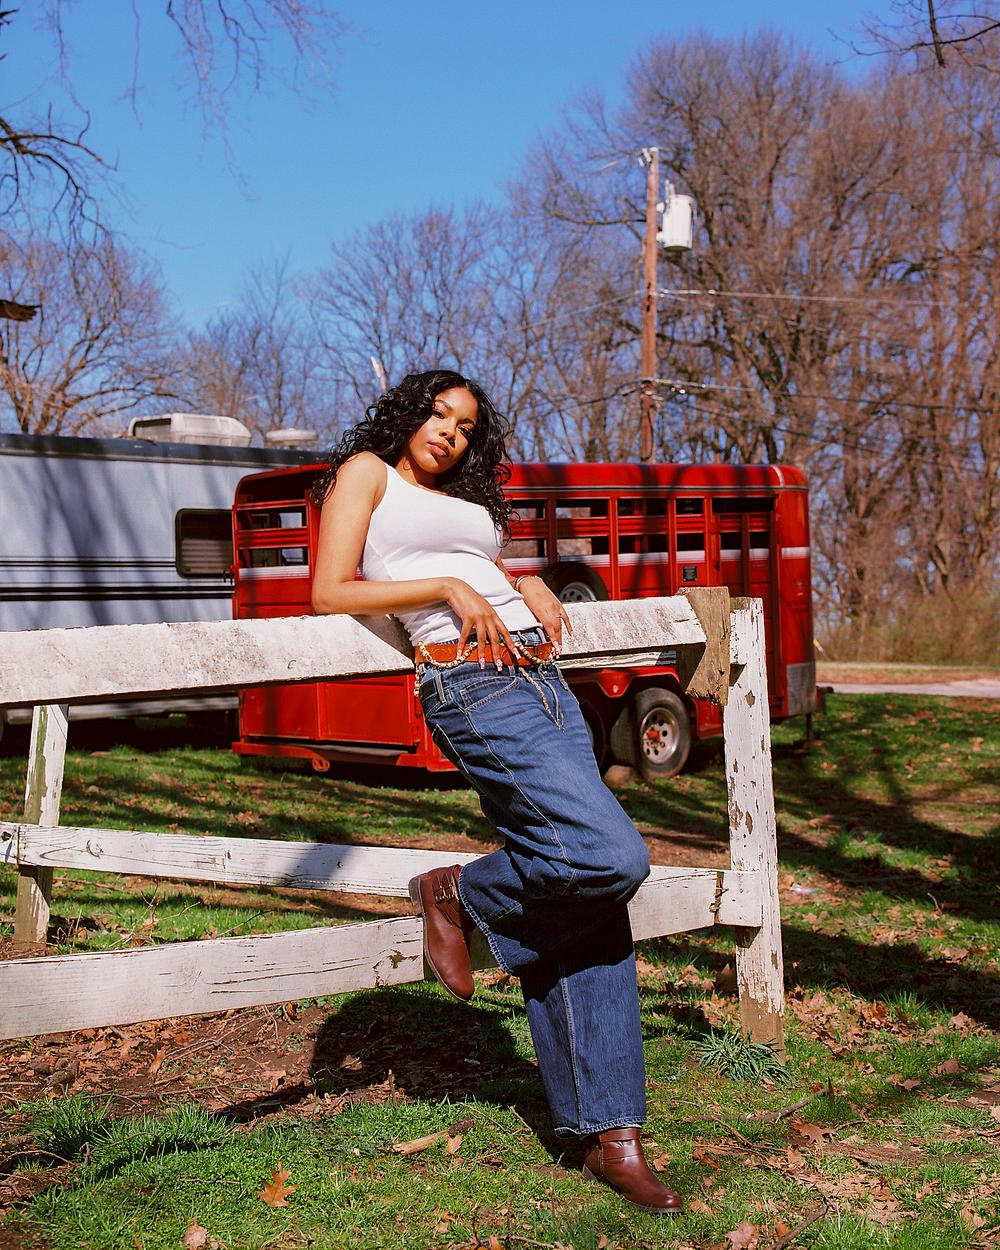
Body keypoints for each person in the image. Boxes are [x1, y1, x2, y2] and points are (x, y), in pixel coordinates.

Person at [310, 369, 682, 1214]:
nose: (451, 432)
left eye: (467, 426)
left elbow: (473, 562)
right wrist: (447, 591)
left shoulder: (465, 502)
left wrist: (525, 581)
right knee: (612, 857)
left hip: (542, 678)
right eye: (439, 415)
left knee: (586, 889)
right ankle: (461, 893)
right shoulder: (367, 473)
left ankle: (610, 1135)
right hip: (470, 682)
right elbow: (330, 588)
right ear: (410, 415)